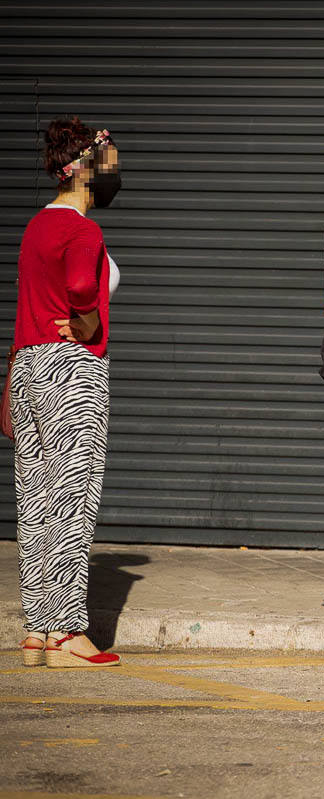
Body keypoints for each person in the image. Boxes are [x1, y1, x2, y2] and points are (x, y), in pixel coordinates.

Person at [10, 117, 123, 668]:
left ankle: (36, 628)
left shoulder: (35, 227)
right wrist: (86, 323)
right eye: (111, 164)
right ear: (82, 169)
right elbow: (81, 285)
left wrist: (12, 379)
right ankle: (67, 632)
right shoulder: (83, 230)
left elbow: (26, 304)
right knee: (72, 501)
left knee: (35, 503)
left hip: (29, 366)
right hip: (71, 373)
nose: (116, 174)